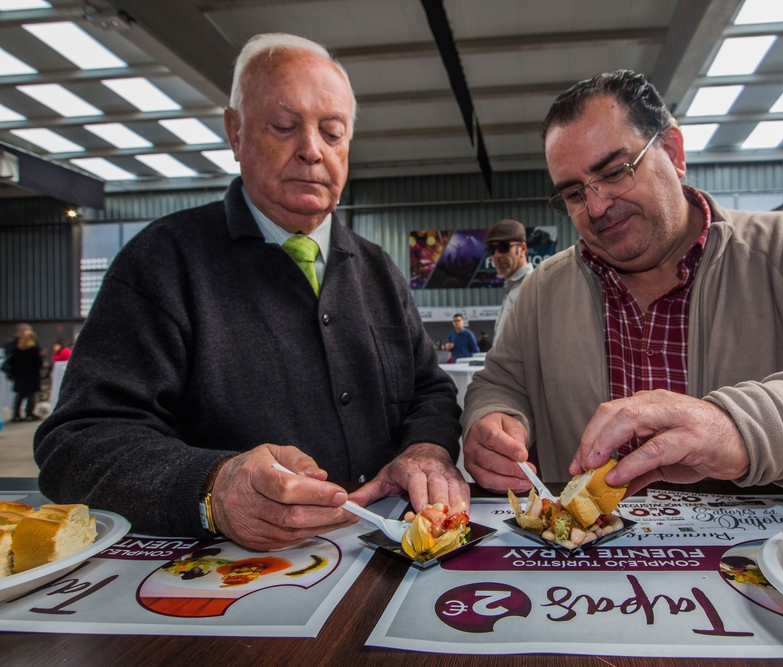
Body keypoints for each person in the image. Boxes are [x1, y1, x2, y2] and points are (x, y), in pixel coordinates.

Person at [35, 33, 467, 551]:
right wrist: (212, 486)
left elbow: (430, 390)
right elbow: (79, 442)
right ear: (235, 132)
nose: (312, 150)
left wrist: (426, 449)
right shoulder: (162, 261)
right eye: (284, 127)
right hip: (228, 587)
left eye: (333, 132)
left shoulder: (377, 269)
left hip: (384, 563)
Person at [461, 70, 783, 497]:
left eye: (616, 172)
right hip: (591, 580)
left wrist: (742, 426)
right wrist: (494, 421)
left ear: (674, 151)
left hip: (769, 573)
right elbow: (501, 383)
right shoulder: (542, 292)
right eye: (573, 193)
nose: (595, 207)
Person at [485, 219, 533, 343]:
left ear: (522, 249)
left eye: (503, 247)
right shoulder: (514, 289)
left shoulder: (533, 287)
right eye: (491, 249)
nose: (497, 255)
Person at [8, 330, 42, 422]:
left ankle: (16, 414)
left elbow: (11, 362)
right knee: (31, 394)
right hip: (31, 374)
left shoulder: (16, 349)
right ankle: (29, 413)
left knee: (20, 395)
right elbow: (38, 362)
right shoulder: (33, 349)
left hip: (19, 375)